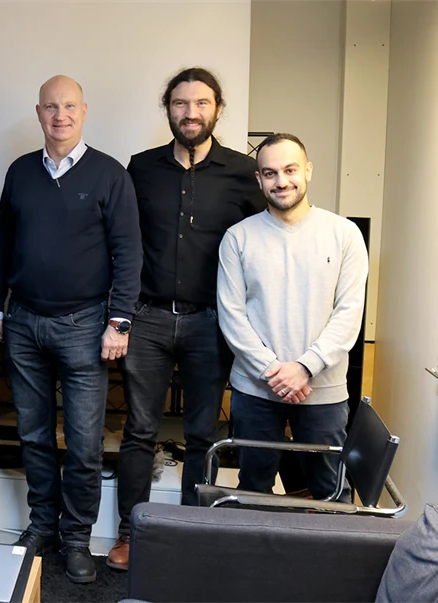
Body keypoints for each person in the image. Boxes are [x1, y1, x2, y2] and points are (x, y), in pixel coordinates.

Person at [0, 75, 142, 584]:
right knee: (33, 436)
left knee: (84, 444)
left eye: (69, 106)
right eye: (51, 107)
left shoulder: (110, 174)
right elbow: (2, 243)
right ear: (39, 113)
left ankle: (76, 539)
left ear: (84, 111)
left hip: (85, 326)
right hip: (24, 322)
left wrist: (119, 322)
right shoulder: (21, 171)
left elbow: (128, 253)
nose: (60, 115)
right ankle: (41, 528)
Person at [107, 67, 265, 570]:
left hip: (211, 323)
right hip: (148, 318)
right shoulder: (141, 168)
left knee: (202, 435)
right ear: (168, 109)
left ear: (218, 109)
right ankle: (131, 534)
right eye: (180, 103)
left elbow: (265, 244)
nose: (190, 112)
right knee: (139, 431)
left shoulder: (243, 172)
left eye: (201, 103)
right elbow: (121, 242)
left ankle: (191, 535)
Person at [217, 133, 368, 501]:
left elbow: (349, 314)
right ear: (259, 179)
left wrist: (304, 368)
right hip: (256, 389)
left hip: (323, 391)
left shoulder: (344, 234)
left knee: (332, 493)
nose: (281, 181)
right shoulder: (238, 238)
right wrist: (274, 371)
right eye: (270, 173)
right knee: (253, 490)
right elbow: (232, 316)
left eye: (290, 170)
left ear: (308, 171)